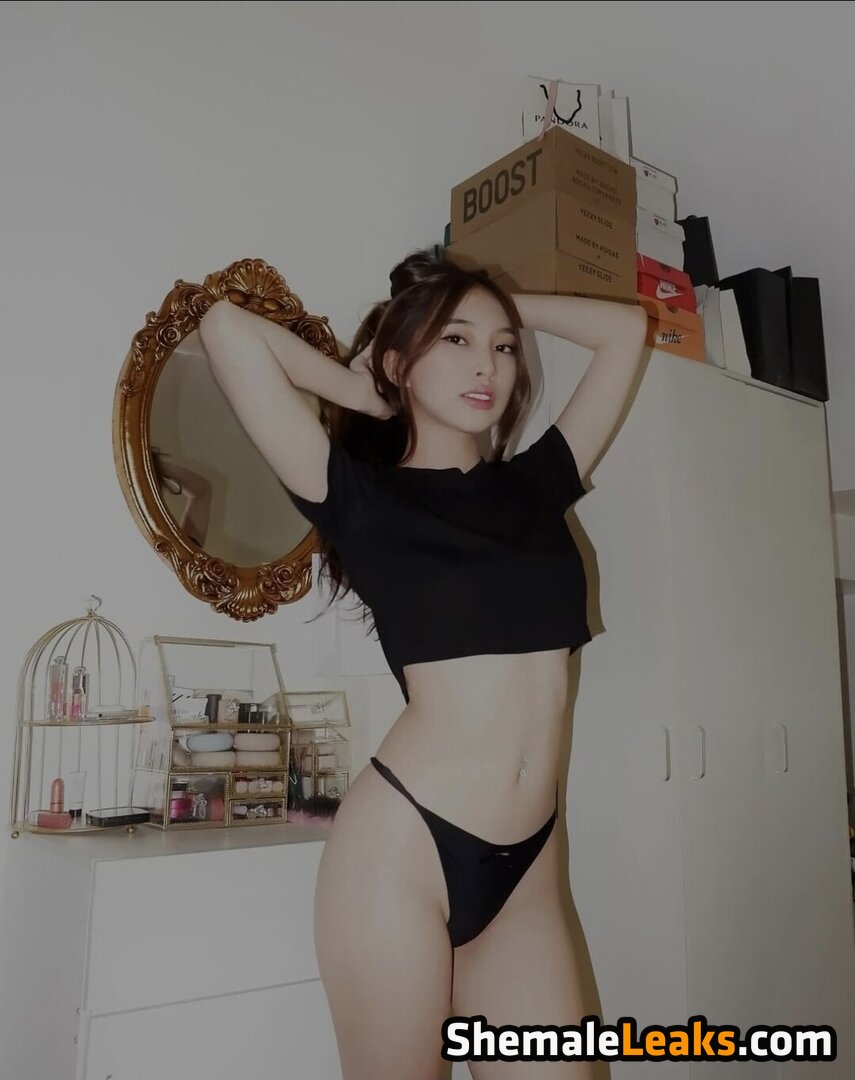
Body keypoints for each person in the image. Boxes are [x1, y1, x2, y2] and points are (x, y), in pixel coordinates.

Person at [199, 250, 647, 1079]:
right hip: (403, 851)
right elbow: (224, 327)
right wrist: (358, 387)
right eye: (455, 341)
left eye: (503, 347)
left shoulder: (538, 483)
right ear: (400, 363)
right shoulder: (360, 497)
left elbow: (624, 331)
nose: (487, 365)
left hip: (528, 868)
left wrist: (499, 301)